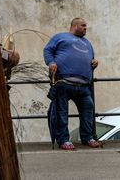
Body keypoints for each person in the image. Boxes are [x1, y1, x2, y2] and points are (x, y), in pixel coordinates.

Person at [43, 18, 99, 150]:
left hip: (84, 85)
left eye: (86, 25)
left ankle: (88, 137)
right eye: (83, 25)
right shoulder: (60, 37)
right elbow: (48, 50)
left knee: (88, 109)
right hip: (63, 82)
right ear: (74, 26)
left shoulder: (87, 43)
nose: (86, 28)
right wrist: (51, 62)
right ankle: (63, 140)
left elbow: (91, 58)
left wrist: (94, 62)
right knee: (61, 111)